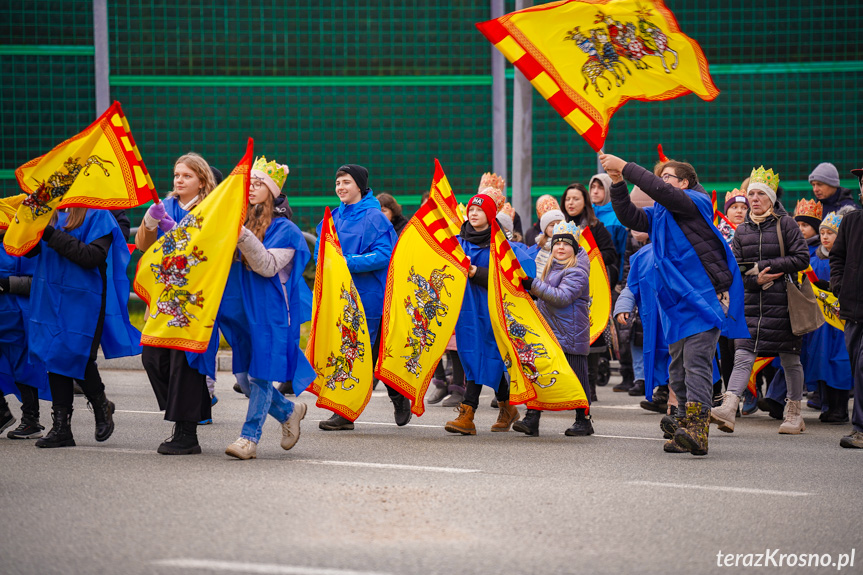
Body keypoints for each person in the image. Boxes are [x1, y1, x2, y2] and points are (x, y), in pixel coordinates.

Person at [600, 152, 748, 456]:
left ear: (685, 182)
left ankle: (697, 429)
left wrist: (625, 167)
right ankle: (682, 424)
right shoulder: (661, 214)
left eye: (668, 177)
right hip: (676, 303)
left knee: (696, 361)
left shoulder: (696, 202)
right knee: (678, 366)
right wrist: (617, 182)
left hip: (703, 297)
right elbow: (629, 216)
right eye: (661, 176)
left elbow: (662, 192)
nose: (661, 182)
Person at [219, 156, 313, 460]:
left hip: (271, 315)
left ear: (272, 192)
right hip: (241, 313)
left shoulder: (287, 231)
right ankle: (288, 412)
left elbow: (267, 266)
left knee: (260, 376)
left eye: (259, 184)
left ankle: (249, 438)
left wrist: (242, 235)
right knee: (245, 380)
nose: (251, 188)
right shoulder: (241, 222)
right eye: (250, 182)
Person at [25, 206, 140, 448]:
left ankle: (101, 406)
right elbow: (30, 252)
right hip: (50, 295)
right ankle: (61, 428)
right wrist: (25, 227)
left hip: (83, 299)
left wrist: (49, 233)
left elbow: (92, 257)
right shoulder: (50, 212)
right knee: (53, 355)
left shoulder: (100, 215)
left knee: (78, 355)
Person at [710, 167, 810, 435]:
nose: (754, 199)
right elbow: (738, 270)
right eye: (751, 194)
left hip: (784, 303)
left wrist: (767, 267)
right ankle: (729, 408)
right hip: (753, 303)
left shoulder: (785, 224)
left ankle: (794, 414)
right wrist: (757, 279)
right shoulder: (741, 230)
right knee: (743, 355)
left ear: (771, 197)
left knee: (790, 359)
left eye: (759, 194)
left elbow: (801, 258)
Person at [136, 153, 220, 455]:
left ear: (201, 180)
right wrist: (149, 221)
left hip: (195, 301)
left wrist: (178, 234)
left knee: (184, 365)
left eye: (186, 176)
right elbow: (145, 246)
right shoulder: (165, 206)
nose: (178, 180)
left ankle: (186, 432)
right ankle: (194, 411)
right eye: (176, 175)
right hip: (164, 298)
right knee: (153, 359)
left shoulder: (211, 208)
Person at [314, 164, 405, 430]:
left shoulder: (375, 217)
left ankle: (397, 396)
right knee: (347, 351)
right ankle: (344, 413)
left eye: (346, 182)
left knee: (373, 353)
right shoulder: (332, 217)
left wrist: (346, 262)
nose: (340, 187)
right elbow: (322, 251)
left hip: (370, 297)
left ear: (359, 186)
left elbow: (384, 254)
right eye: (338, 183)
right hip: (340, 297)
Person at [444, 182, 534, 435]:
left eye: (480, 210)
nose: (473, 213)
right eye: (471, 209)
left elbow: (516, 277)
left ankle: (468, 413)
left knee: (490, 359)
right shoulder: (458, 242)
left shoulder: (502, 247)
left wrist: (476, 272)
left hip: (494, 312)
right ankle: (505, 408)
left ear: (491, 215)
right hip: (466, 314)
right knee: (473, 356)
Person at [513, 220, 592, 436]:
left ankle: (583, 419)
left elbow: (562, 297)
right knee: (540, 373)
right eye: (557, 244)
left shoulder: (577, 270)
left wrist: (534, 285)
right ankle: (532, 417)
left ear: (574, 248)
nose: (561, 247)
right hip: (549, 333)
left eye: (566, 244)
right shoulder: (551, 267)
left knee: (576, 378)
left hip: (571, 335)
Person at [560, 182, 620, 398]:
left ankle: (590, 385)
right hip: (564, 293)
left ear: (584, 201)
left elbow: (611, 254)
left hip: (591, 291)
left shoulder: (595, 227)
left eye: (575, 199)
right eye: (568, 199)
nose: (571, 203)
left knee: (591, 338)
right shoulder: (561, 227)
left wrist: (585, 260)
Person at [0, 228, 49, 439]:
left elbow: (38, 281)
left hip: (17, 318)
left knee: (23, 369)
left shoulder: (22, 242)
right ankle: (2, 413)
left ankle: (31, 420)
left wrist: (6, 284)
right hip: (5, 315)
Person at [831, 166, 863, 448]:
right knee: (858, 365)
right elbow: (837, 258)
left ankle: (860, 428)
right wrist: (840, 286)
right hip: (854, 309)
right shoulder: (852, 221)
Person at [589, 173, 628, 280]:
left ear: (609, 189)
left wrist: (621, 282)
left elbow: (624, 253)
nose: (595, 191)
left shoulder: (618, 218)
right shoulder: (586, 215)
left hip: (611, 279)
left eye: (601, 187)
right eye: (593, 187)